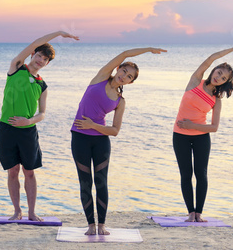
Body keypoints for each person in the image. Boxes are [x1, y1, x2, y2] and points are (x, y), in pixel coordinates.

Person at [71, 47, 166, 235]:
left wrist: (93, 125)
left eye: (129, 76)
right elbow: (124, 54)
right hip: (79, 137)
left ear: (131, 82)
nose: (124, 76)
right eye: (124, 71)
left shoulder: (120, 101)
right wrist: (149, 49)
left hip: (101, 141)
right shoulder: (100, 77)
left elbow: (115, 131)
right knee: (85, 183)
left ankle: (102, 225)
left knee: (101, 182)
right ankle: (90, 225)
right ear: (117, 69)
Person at [0, 31, 79, 221]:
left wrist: (28, 121)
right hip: (7, 129)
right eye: (39, 55)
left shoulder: (43, 85)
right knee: (12, 172)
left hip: (28, 131)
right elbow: (35, 41)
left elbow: (42, 113)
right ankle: (17, 211)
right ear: (33, 54)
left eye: (45, 59)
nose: (41, 60)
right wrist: (59, 33)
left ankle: (32, 212)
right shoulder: (16, 67)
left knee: (29, 172)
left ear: (47, 64)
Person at [173, 47, 233, 222]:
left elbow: (214, 127)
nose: (218, 77)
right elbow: (210, 58)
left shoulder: (216, 100)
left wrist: (191, 125)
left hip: (201, 137)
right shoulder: (195, 81)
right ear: (214, 70)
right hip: (180, 135)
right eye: (219, 72)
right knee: (186, 174)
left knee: (201, 174)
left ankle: (198, 213)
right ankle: (190, 213)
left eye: (223, 78)